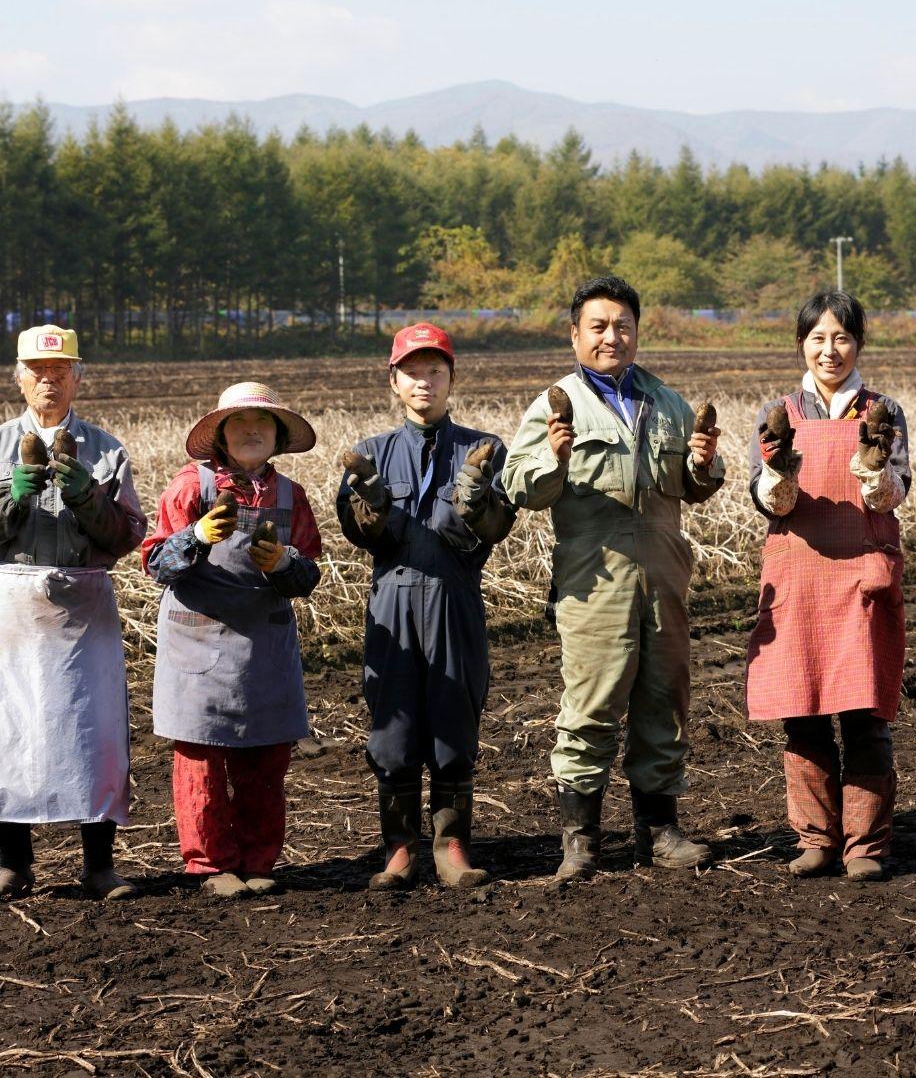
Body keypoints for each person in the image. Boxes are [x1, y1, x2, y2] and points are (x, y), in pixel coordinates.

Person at [502, 276, 724, 881]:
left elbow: (697, 486)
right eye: (597, 326)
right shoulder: (554, 405)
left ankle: (661, 831)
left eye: (622, 325)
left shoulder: (669, 403)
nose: (611, 336)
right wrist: (555, 454)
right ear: (575, 334)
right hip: (594, 576)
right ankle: (582, 839)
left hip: (664, 573)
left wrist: (704, 465)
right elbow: (520, 487)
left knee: (665, 699)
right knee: (592, 703)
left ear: (636, 332)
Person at [337, 323, 515, 890]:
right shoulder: (369, 454)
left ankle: (452, 844)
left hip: (453, 596)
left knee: (454, 720)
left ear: (451, 378)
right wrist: (368, 504)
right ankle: (398, 848)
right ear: (394, 381)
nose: (424, 381)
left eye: (435, 370)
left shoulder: (484, 448)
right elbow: (361, 535)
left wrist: (473, 499)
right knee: (392, 728)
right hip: (391, 599)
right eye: (412, 371)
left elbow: (495, 528)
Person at [745, 292, 909, 882]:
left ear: (858, 343)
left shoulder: (883, 410)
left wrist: (873, 460)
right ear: (801, 345)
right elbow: (770, 503)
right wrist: (779, 467)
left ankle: (865, 845)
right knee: (803, 713)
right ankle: (816, 838)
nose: (829, 349)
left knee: (864, 714)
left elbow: (891, 497)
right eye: (817, 338)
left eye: (841, 337)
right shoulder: (778, 412)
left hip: (861, 576)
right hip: (800, 577)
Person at [143, 383, 322, 898]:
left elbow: (308, 574)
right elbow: (156, 563)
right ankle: (210, 865)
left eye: (263, 424)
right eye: (239, 423)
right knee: (201, 757)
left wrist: (284, 563)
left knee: (267, 757)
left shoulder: (290, 496)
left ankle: (258, 859)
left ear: (277, 437)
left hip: (266, 644)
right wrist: (197, 536)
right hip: (198, 643)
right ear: (220, 433)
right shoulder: (189, 486)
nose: (251, 431)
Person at [0, 325, 147, 900]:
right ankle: (13, 862)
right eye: (37, 371)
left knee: (95, 730)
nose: (48, 380)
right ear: (17, 377)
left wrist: (88, 496)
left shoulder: (108, 450)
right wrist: (11, 498)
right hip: (12, 605)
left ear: (78, 378)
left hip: (85, 607)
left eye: (60, 372)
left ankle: (99, 865)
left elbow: (126, 535)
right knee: (9, 731)